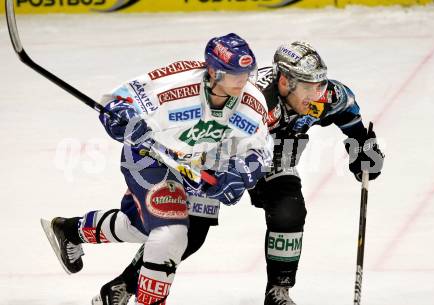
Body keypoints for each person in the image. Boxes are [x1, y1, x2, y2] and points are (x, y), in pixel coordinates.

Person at [91, 41, 385, 305]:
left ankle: (278, 291)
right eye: (308, 87)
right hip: (221, 158)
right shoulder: (256, 99)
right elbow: (209, 130)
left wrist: (362, 145)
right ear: (285, 81)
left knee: (289, 211)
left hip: (272, 158)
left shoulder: (324, 96)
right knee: (190, 233)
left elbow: (349, 116)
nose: (316, 95)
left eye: (318, 85)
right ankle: (123, 284)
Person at [41, 33, 273, 305]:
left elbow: (260, 150)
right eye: (235, 74)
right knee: (172, 231)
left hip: (188, 165)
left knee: (142, 227)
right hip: (146, 156)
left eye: (246, 73)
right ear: (213, 71)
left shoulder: (251, 101)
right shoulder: (176, 84)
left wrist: (240, 174)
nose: (243, 80)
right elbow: (118, 100)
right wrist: (123, 118)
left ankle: (71, 230)